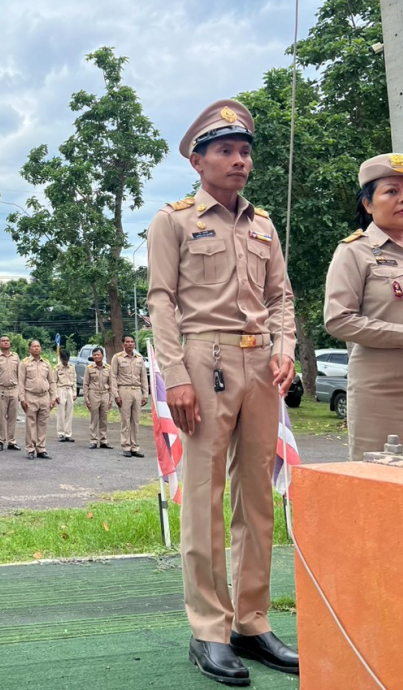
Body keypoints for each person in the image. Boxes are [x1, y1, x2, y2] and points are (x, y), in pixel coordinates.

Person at [148, 99, 299, 684]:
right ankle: (209, 629)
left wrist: (284, 346)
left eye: (245, 152)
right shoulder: (175, 221)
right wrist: (175, 376)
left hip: (261, 361)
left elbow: (281, 296)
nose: (240, 161)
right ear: (197, 159)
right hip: (202, 359)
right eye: (226, 151)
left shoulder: (263, 225)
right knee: (205, 497)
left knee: (258, 496)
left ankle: (253, 622)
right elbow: (162, 301)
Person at [324, 152, 403, 460]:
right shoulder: (354, 252)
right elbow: (339, 320)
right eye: (392, 191)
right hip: (384, 397)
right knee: (384, 486)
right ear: (368, 204)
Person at [110, 336, 149, 458]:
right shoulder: (117, 358)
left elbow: (144, 377)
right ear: (123, 344)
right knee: (126, 420)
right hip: (124, 389)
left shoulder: (139, 359)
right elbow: (113, 377)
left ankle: (135, 447)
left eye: (132, 342)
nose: (130, 344)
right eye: (127, 342)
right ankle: (126, 446)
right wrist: (116, 395)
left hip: (137, 390)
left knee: (136, 420)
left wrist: (145, 394)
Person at [18, 340, 54, 459]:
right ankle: (30, 449)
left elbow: (52, 381)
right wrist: (22, 398)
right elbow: (21, 382)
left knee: (42, 424)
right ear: (29, 349)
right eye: (34, 346)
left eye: (38, 346)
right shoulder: (24, 363)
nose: (36, 348)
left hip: (44, 396)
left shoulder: (46, 363)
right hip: (30, 396)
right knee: (31, 424)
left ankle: (41, 449)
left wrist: (53, 398)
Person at [0, 335, 21, 451]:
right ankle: (0, 441)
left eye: (7, 341)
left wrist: (20, 392)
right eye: (3, 341)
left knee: (13, 417)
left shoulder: (15, 356)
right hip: (1, 389)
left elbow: (20, 375)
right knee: (1, 417)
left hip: (14, 389)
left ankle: (11, 441)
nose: (6, 343)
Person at [83, 347, 112, 449]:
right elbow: (85, 384)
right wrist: (86, 398)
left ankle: (103, 440)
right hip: (93, 394)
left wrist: (111, 398)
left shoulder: (108, 368)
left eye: (98, 355)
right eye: (94, 355)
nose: (96, 357)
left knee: (104, 418)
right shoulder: (89, 368)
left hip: (105, 394)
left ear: (102, 356)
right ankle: (93, 440)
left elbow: (111, 384)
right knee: (94, 418)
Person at [54, 347, 76, 443]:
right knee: (61, 414)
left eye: (67, 360)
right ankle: (61, 434)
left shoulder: (72, 367)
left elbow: (74, 380)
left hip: (69, 389)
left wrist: (74, 392)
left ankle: (68, 434)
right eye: (64, 360)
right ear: (61, 359)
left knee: (69, 414)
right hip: (60, 389)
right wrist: (55, 395)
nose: (66, 362)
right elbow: (53, 382)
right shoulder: (56, 368)